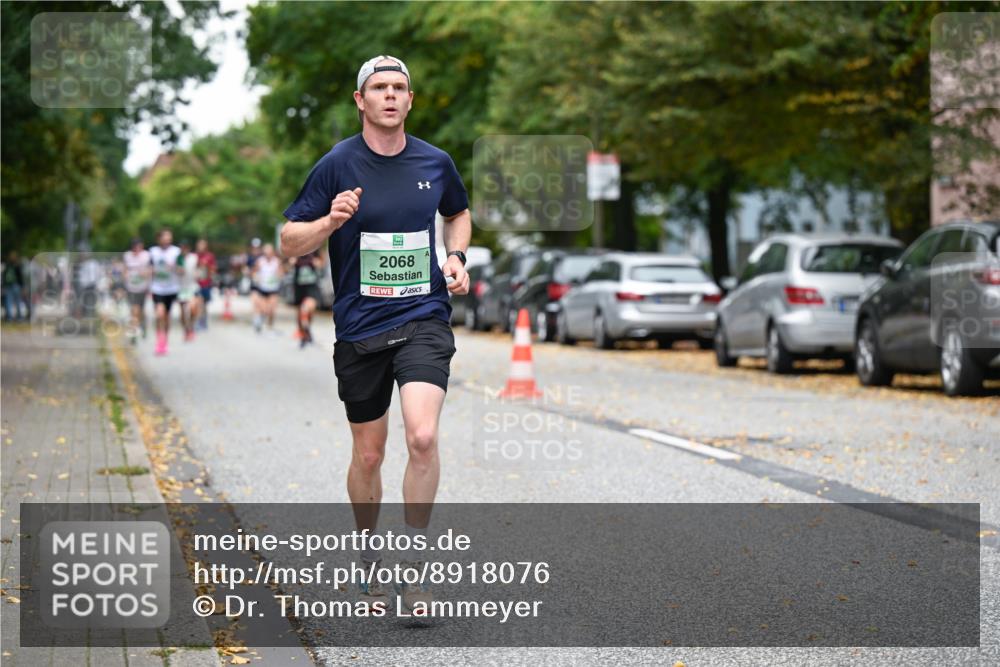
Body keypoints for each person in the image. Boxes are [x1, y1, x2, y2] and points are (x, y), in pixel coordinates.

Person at [279, 55, 471, 614]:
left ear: (410, 100)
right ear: (360, 101)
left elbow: (458, 212)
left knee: (422, 437)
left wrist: (456, 256)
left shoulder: (436, 162)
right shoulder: (337, 165)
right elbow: (290, 241)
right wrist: (328, 222)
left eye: (399, 87)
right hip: (361, 328)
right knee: (368, 456)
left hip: (424, 317)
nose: (390, 95)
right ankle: (368, 555)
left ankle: (416, 574)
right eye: (379, 88)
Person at [149, 229, 182, 356]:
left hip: (171, 288)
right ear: (159, 239)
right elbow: (149, 268)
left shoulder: (176, 252)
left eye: (170, 238)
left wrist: (174, 267)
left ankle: (165, 341)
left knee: (167, 317)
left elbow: (181, 270)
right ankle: (159, 340)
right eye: (166, 238)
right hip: (157, 288)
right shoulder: (153, 252)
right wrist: (152, 272)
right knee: (159, 314)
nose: (168, 240)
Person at [291, 249, 324, 348]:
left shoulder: (315, 249)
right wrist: (291, 262)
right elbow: (286, 265)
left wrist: (317, 263)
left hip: (312, 287)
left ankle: (307, 330)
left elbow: (321, 263)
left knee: (307, 309)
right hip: (299, 288)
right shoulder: (297, 250)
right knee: (300, 313)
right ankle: (304, 333)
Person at [123, 238, 151, 344]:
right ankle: (134, 333)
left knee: (141, 310)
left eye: (139, 247)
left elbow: (151, 269)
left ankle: (143, 325)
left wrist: (146, 274)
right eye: (135, 247)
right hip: (131, 287)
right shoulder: (127, 256)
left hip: (143, 287)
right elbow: (125, 269)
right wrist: (125, 276)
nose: (137, 249)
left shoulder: (146, 256)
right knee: (134, 310)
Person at [251, 242, 282, 334]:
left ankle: (270, 327)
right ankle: (259, 319)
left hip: (273, 288)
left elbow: (281, 272)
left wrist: (279, 274)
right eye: (266, 252)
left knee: (272, 310)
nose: (268, 254)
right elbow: (254, 272)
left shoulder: (277, 261)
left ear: (272, 252)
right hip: (263, 288)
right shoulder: (260, 261)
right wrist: (256, 277)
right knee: (264, 309)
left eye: (269, 252)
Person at [176, 240, 200, 342]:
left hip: (192, 286)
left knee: (193, 309)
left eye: (185, 248)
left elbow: (200, 269)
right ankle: (186, 330)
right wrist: (179, 269)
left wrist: (199, 273)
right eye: (182, 248)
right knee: (182, 313)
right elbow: (177, 271)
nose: (183, 250)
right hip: (181, 288)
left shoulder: (194, 257)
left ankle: (191, 326)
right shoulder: (178, 258)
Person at [193, 239, 216, 331]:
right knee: (199, 303)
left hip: (206, 284)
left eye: (203, 245)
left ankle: (204, 320)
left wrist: (208, 267)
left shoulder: (210, 256)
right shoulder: (194, 256)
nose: (201, 247)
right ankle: (198, 322)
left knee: (204, 305)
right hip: (196, 284)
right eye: (199, 245)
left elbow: (213, 269)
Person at [2, 251, 27, 321]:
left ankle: (10, 317)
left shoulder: (7, 266)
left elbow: (4, 277)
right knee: (17, 301)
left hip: (10, 286)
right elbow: (21, 277)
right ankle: (18, 317)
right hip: (15, 285)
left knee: (9, 301)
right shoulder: (17, 265)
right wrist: (23, 287)